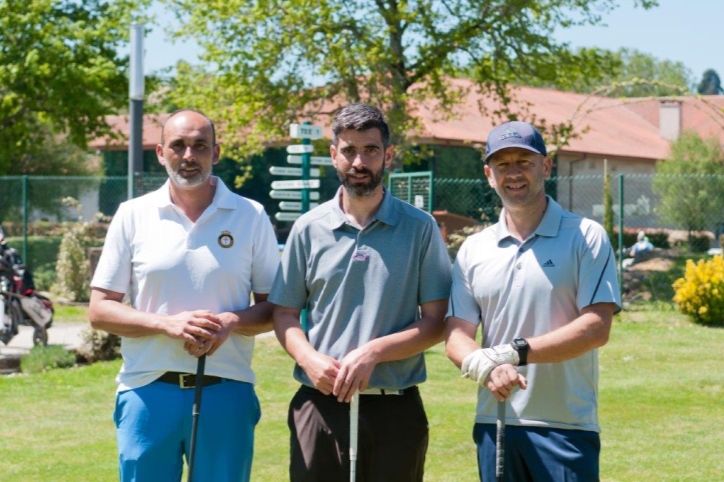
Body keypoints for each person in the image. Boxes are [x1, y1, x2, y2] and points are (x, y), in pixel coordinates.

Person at [88, 109, 280, 481]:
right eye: (178, 145)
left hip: (226, 389)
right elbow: (100, 310)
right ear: (161, 152)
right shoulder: (132, 215)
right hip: (146, 390)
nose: (189, 155)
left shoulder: (251, 215)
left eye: (199, 146)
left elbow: (275, 307)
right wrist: (167, 324)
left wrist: (230, 323)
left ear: (216, 152)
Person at [269, 103, 452, 482]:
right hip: (319, 405)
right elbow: (285, 313)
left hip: (395, 409)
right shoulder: (308, 228)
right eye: (349, 150)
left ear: (387, 155)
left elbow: (436, 322)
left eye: (370, 150)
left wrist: (374, 352)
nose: (359, 161)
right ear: (334, 155)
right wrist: (308, 359)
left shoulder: (420, 228)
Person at [445, 121, 621, 481]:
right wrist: (487, 367)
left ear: (546, 166)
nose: (513, 173)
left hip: (567, 427)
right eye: (502, 164)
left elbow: (596, 327)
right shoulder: (474, 249)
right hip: (496, 423)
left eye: (523, 161)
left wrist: (512, 353)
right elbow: (456, 336)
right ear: (488, 174)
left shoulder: (586, 236)